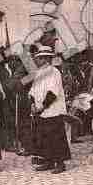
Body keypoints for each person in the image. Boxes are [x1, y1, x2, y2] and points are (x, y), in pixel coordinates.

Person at [29, 46, 71, 174]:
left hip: (53, 110)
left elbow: (53, 93)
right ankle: (48, 161)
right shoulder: (38, 73)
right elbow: (33, 91)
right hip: (40, 111)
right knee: (44, 137)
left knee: (56, 137)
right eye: (38, 58)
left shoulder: (54, 72)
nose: (38, 60)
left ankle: (60, 163)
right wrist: (32, 103)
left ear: (47, 59)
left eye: (40, 58)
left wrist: (42, 106)